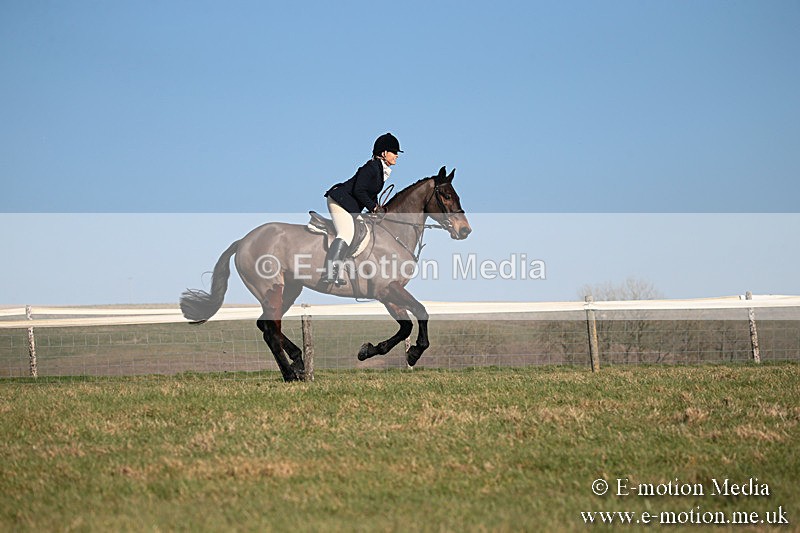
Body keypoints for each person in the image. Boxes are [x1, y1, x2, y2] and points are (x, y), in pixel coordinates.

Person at [321, 132, 402, 285]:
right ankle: (330, 273)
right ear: (384, 153)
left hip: (351, 205)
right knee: (346, 232)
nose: (397, 155)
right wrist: (372, 208)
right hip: (339, 201)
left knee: (363, 230)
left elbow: (370, 194)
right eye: (394, 152)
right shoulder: (371, 167)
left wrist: (376, 209)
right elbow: (359, 190)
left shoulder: (380, 171)